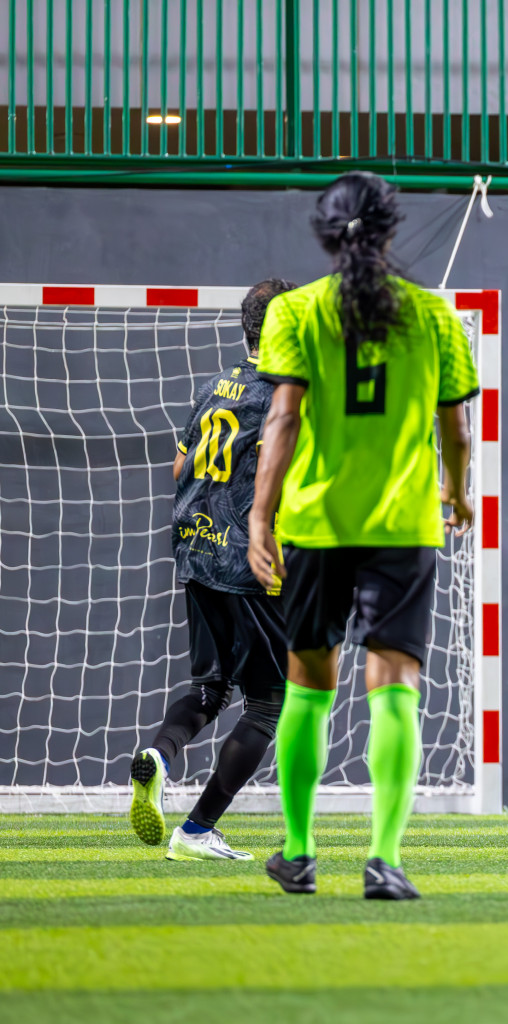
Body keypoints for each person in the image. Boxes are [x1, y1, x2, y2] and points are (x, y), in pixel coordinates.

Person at [247, 171, 479, 900]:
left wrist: (261, 514)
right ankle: (384, 858)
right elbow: (457, 428)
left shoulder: (295, 312)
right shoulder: (432, 316)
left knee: (309, 683)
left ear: (325, 232)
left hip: (316, 523)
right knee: (394, 688)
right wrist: (457, 493)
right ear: (389, 229)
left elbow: (281, 420)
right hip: (403, 524)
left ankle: (298, 851)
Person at [129, 278, 298, 861]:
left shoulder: (213, 386)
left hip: (196, 550)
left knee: (210, 684)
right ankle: (197, 829)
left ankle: (160, 754)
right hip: (248, 561)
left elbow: (179, 468)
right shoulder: (286, 396)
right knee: (269, 703)